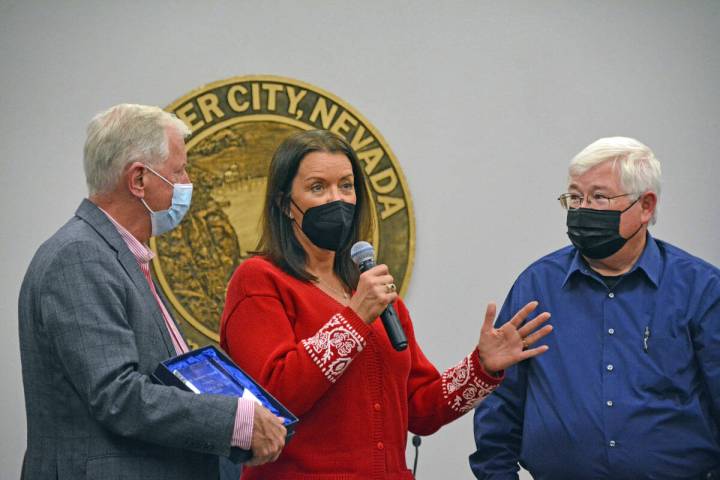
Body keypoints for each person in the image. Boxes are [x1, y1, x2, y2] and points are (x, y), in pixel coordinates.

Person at [220, 129, 553, 479]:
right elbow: (276, 398)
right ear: (284, 202)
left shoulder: (367, 287)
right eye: (318, 187)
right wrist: (355, 318)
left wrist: (480, 367)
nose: (337, 199)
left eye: (346, 186)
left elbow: (421, 410)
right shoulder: (259, 279)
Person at [18, 104, 286, 480]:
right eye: (179, 171)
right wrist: (234, 420)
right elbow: (118, 396)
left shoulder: (119, 254)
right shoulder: (80, 257)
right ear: (139, 180)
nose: (187, 181)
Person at [470, 137, 720, 479]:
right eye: (575, 197)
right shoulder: (537, 286)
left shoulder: (700, 289)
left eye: (598, 197)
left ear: (645, 206)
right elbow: (500, 413)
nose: (582, 209)